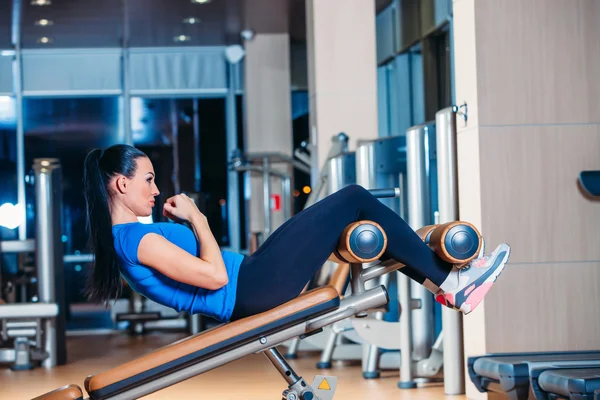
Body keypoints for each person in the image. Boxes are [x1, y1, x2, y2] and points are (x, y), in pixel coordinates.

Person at [83, 144, 511, 323]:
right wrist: (198, 218)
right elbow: (214, 278)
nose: (156, 190)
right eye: (148, 180)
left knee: (345, 208)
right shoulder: (137, 241)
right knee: (353, 198)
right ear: (121, 184)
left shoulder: (132, 239)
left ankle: (448, 284)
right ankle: (452, 283)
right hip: (249, 288)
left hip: (251, 277)